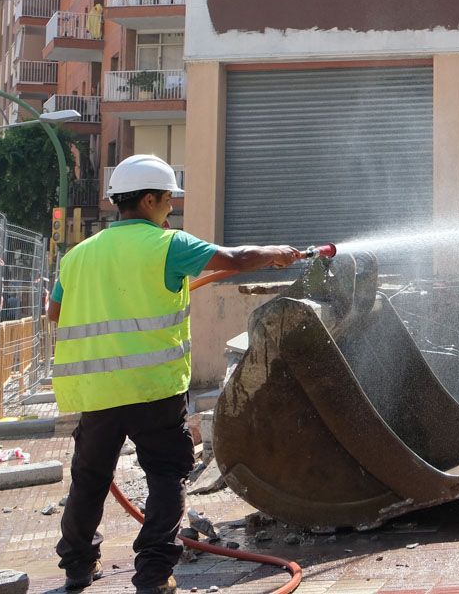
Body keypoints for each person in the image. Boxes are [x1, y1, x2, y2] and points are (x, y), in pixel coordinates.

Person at [49, 155, 301, 594]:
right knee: (166, 476)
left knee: (89, 480)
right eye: (168, 200)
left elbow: (55, 315)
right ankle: (152, 575)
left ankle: (76, 568)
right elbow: (234, 259)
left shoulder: (77, 257)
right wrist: (277, 254)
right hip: (152, 388)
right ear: (148, 200)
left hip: (94, 392)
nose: (171, 209)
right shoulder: (168, 244)